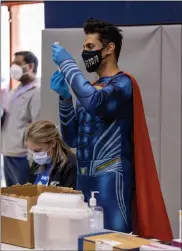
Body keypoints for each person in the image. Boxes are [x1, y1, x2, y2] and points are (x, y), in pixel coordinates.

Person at [50, 18, 173, 241]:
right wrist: (65, 99)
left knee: (113, 240)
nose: (85, 52)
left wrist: (68, 65)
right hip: (84, 177)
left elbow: (96, 102)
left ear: (109, 48)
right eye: (83, 47)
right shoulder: (91, 89)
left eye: (90, 47)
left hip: (110, 176)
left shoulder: (122, 84)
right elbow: (73, 139)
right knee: (85, 240)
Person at [1, 51, 40, 187]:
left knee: (23, 200)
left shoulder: (37, 91)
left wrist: (32, 158)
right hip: (8, 153)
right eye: (13, 64)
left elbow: (37, 126)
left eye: (18, 64)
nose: (13, 68)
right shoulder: (13, 91)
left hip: (23, 157)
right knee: (11, 199)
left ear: (30, 67)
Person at [26, 120, 77, 188]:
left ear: (53, 143)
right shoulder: (37, 163)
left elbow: (69, 196)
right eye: (32, 151)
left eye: (37, 150)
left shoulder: (70, 165)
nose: (35, 156)